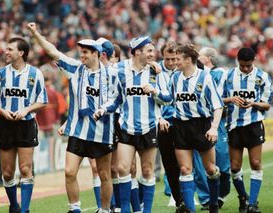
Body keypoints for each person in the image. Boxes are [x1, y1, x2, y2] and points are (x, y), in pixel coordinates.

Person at [28, 23, 118, 213]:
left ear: (96, 53)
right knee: (69, 172)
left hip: (102, 133)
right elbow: (53, 52)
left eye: (86, 52)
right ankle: (74, 208)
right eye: (81, 52)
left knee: (104, 174)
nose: (82, 55)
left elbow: (116, 99)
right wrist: (36, 34)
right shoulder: (75, 69)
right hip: (78, 130)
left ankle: (105, 209)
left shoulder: (111, 74)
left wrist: (104, 109)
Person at [144, 44, 224, 213]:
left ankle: (214, 205)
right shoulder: (175, 79)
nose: (175, 63)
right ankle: (190, 209)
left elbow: (218, 106)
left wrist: (214, 128)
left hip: (202, 126)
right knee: (185, 169)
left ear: (188, 60)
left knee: (210, 169)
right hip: (181, 126)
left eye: (178, 59)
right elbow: (168, 100)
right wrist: (154, 92)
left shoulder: (205, 78)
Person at [95, 36, 167, 213]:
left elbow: (168, 99)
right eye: (149, 50)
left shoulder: (156, 72)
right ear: (137, 52)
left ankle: (146, 210)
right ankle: (126, 209)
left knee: (147, 170)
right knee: (122, 168)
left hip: (149, 127)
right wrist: (104, 109)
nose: (153, 53)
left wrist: (155, 91)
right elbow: (115, 97)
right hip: (126, 127)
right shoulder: (119, 69)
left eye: (153, 50)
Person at [0, 37, 48, 213]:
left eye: (10, 49)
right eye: (6, 49)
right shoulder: (0, 73)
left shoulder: (35, 74)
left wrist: (27, 110)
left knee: (25, 168)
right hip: (5, 124)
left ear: (21, 53)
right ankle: (14, 205)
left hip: (26, 125)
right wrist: (3, 112)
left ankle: (25, 210)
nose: (6, 52)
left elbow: (43, 100)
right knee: (7, 172)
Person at [222, 47, 273, 213]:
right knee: (235, 167)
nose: (245, 69)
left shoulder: (262, 77)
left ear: (254, 61)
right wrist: (230, 99)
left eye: (248, 65)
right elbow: (218, 99)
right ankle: (243, 197)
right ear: (237, 61)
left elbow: (267, 104)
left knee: (256, 163)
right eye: (242, 65)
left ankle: (252, 203)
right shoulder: (228, 76)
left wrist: (254, 103)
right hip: (234, 125)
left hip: (253, 124)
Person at [192, 47, 231, 209]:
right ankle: (206, 198)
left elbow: (218, 97)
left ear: (208, 58)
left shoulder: (219, 73)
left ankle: (221, 192)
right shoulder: (194, 74)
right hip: (196, 122)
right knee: (198, 163)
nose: (197, 58)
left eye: (199, 55)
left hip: (216, 122)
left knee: (220, 159)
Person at [157, 41, 185, 212]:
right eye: (168, 59)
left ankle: (187, 196)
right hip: (164, 125)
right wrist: (159, 117)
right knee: (169, 164)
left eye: (175, 59)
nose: (172, 63)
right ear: (163, 57)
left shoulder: (184, 70)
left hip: (183, 123)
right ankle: (177, 199)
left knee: (186, 163)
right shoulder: (155, 71)